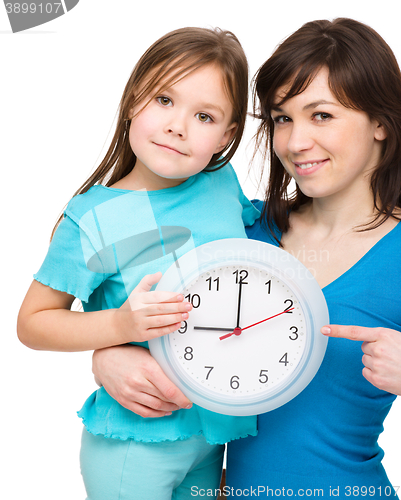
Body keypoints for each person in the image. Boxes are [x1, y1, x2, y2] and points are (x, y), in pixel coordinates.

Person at [91, 18, 401, 498]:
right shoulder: (243, 234)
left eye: (322, 115)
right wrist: (108, 354)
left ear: (381, 122)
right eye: (282, 118)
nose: (296, 143)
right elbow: (162, 329)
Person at [17, 27, 260, 500]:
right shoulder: (91, 218)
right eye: (164, 100)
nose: (178, 126)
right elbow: (33, 324)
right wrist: (119, 327)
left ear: (227, 136)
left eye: (204, 115)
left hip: (215, 438)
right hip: (135, 443)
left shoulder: (221, 183)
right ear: (133, 100)